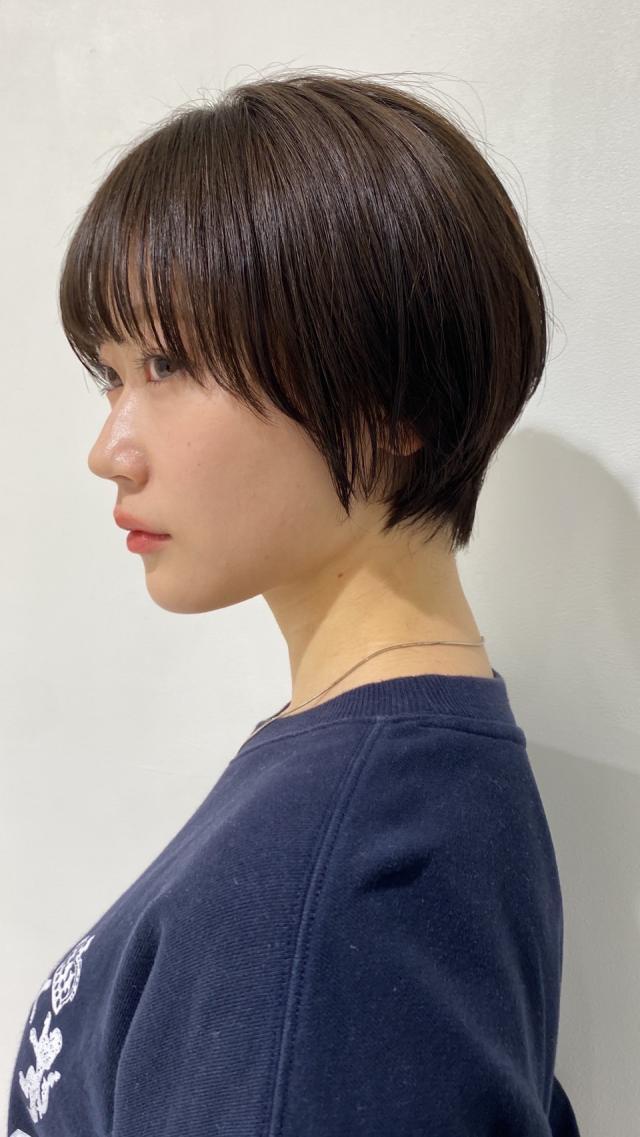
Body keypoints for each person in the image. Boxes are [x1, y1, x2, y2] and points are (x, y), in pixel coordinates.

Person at [7, 69, 581, 1135]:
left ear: (390, 398)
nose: (109, 448)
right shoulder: (394, 776)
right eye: (110, 375)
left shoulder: (351, 877)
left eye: (167, 363)